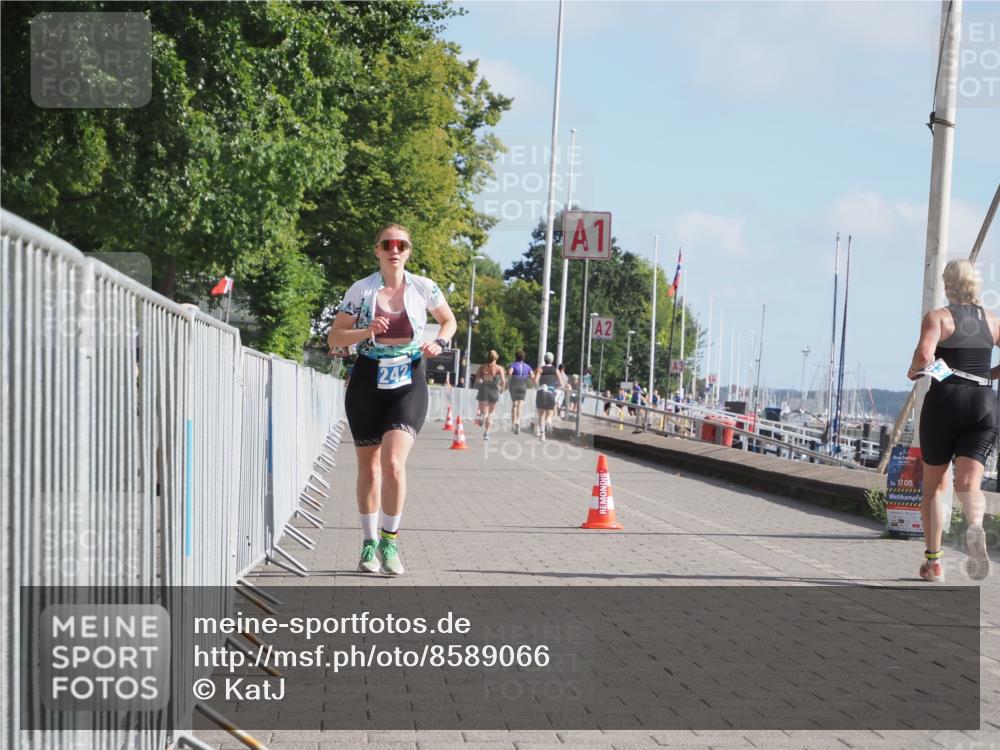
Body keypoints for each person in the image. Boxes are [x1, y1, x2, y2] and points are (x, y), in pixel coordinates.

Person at [328, 223, 456, 576]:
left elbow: (448, 321)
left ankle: (390, 541)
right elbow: (335, 336)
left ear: (409, 251)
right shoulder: (362, 290)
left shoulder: (424, 287)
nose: (394, 250)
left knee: (394, 464)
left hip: (408, 380)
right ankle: (369, 545)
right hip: (368, 379)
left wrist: (439, 342)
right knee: (369, 468)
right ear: (378, 250)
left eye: (401, 244)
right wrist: (366, 331)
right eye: (388, 244)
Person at [907, 259, 995, 582]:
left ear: (948, 286)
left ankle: (934, 564)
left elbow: (924, 355)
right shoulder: (992, 321)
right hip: (984, 403)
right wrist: (988, 375)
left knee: (935, 484)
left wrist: (915, 369)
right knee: (969, 484)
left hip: (946, 401)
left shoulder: (939, 318)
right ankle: (975, 526)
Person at [475, 350, 506, 439]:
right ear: (496, 358)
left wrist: (480, 381)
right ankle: (487, 433)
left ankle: (481, 416)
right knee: (490, 413)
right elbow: (503, 381)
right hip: (494, 389)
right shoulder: (499, 368)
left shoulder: (482, 367)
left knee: (483, 412)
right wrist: (502, 389)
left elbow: (477, 379)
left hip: (484, 388)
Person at [534, 352, 561, 441]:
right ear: (552, 360)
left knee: (540, 415)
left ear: (544, 359)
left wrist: (539, 385)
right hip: (551, 393)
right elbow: (561, 383)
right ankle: (549, 421)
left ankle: (542, 435)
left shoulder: (540, 369)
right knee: (549, 415)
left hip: (542, 392)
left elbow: (535, 380)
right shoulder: (556, 370)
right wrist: (555, 387)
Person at [507, 350, 533, 434]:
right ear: (523, 357)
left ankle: (513, 424)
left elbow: (510, 373)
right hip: (523, 385)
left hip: (514, 385)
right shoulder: (528, 366)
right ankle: (518, 421)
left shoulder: (513, 365)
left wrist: (507, 382)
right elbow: (532, 376)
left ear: (516, 356)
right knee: (520, 405)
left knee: (514, 405)